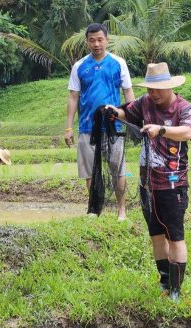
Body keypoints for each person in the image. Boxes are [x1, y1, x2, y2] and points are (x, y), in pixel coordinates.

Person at [107, 62, 191, 300]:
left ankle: (176, 291)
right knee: (156, 236)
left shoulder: (183, 108)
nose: (153, 94)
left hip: (173, 184)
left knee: (175, 237)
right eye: (149, 89)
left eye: (157, 89)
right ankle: (165, 284)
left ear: (169, 86)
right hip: (147, 184)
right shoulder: (145, 103)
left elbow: (187, 133)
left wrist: (161, 129)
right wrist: (113, 111)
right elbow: (128, 112)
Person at [64, 23, 135, 220]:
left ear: (107, 40)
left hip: (114, 126)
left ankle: (122, 210)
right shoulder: (79, 66)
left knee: (117, 169)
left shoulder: (118, 63)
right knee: (90, 172)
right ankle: (95, 209)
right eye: (92, 40)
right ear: (87, 41)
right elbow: (73, 97)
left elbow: (128, 91)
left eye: (100, 39)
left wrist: (134, 118)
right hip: (87, 126)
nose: (96, 44)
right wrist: (69, 127)